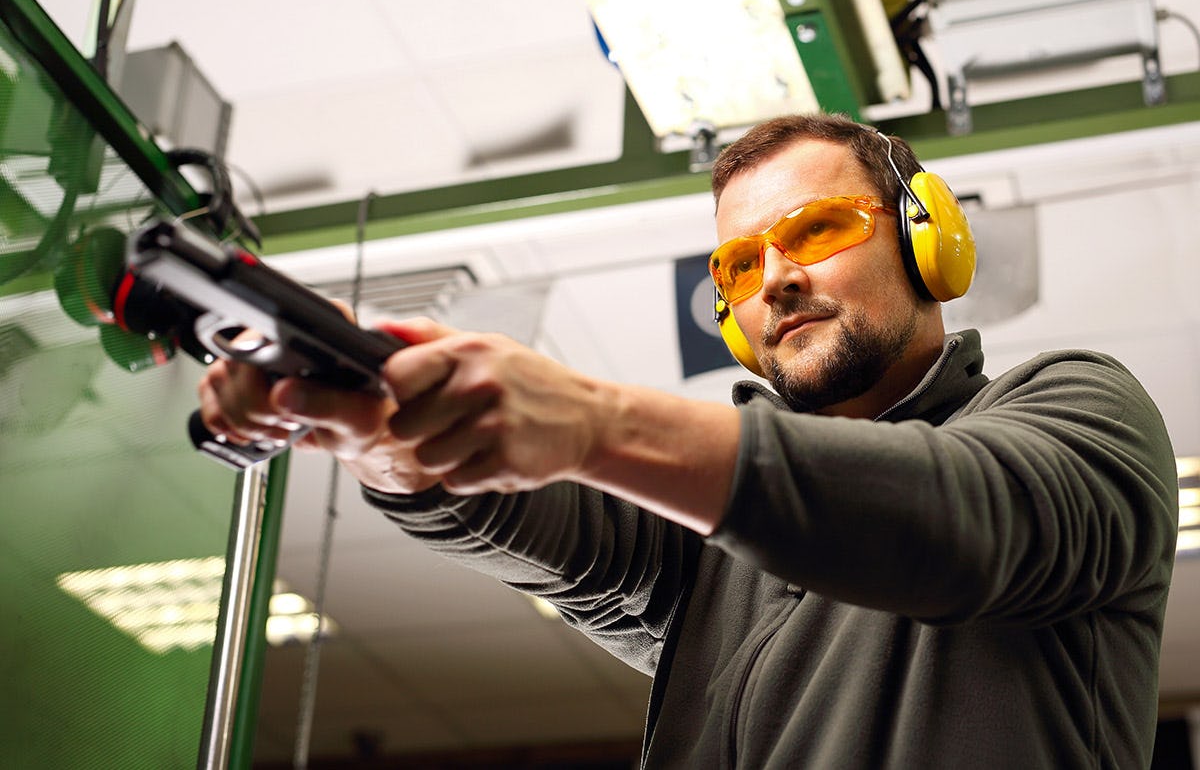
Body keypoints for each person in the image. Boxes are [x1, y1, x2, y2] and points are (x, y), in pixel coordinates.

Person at [198, 114, 1179, 768]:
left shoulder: (1079, 410)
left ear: (932, 238)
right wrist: (380, 428)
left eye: (819, 228)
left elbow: (967, 518)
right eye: (742, 261)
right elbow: (554, 527)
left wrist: (589, 417)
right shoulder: (717, 551)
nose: (776, 280)